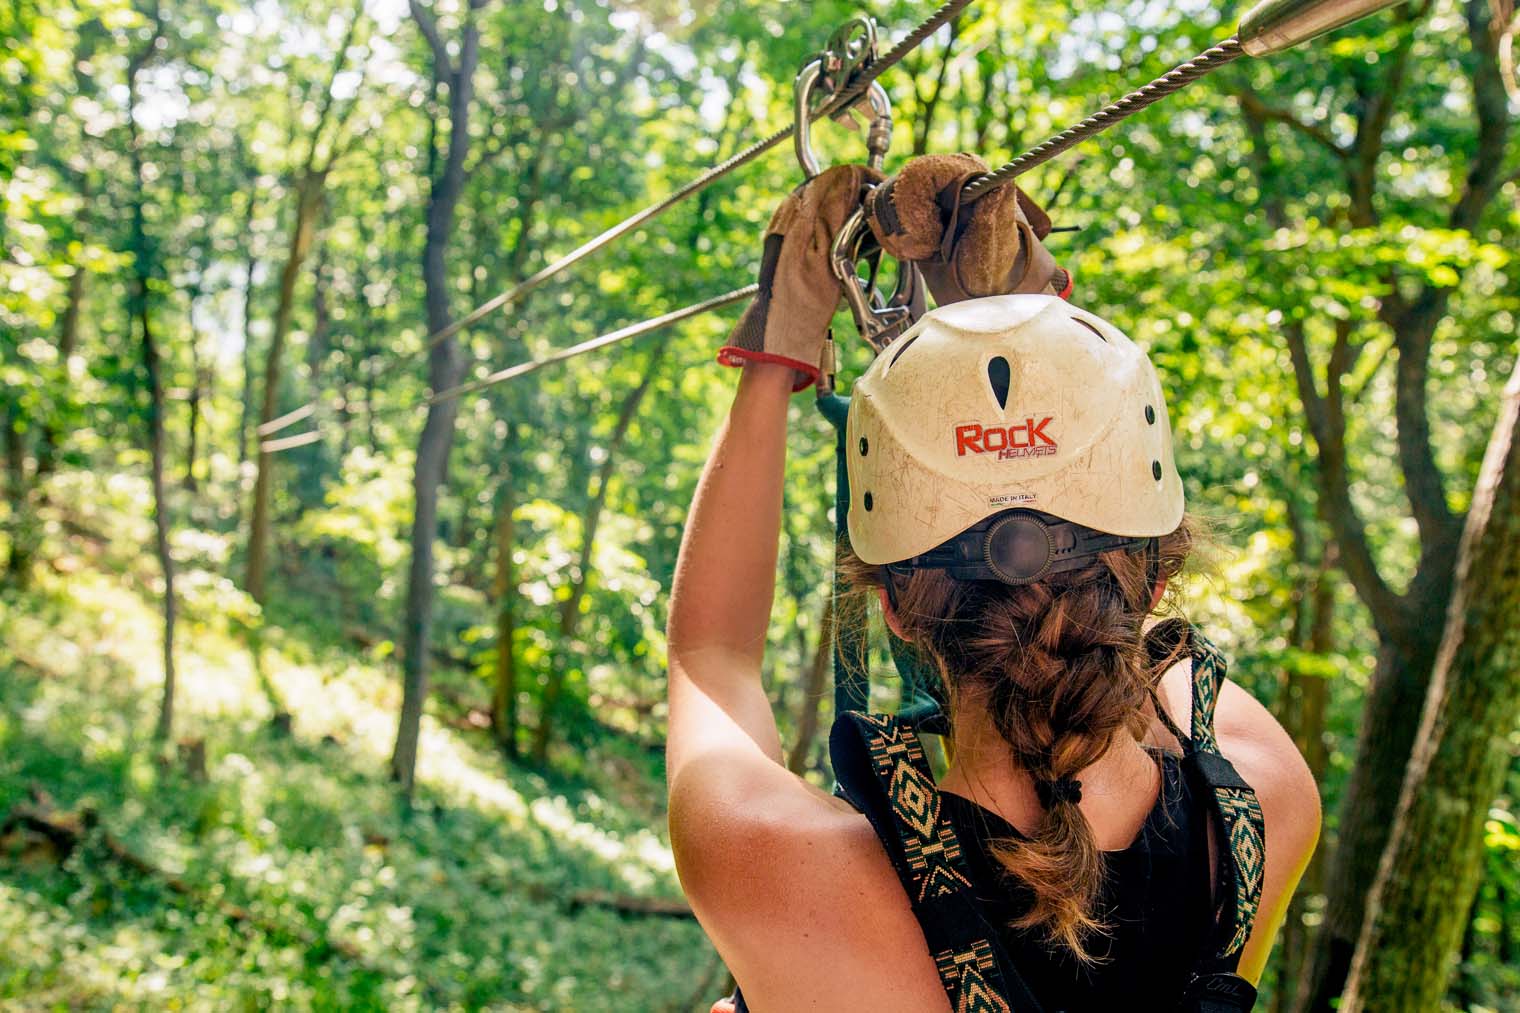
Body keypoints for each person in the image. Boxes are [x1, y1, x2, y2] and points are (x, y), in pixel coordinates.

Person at [665, 156, 1320, 1012]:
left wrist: (776, 350)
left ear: (894, 607)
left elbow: (710, 656)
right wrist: (1027, 313)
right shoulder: (1263, 807)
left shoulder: (798, 882)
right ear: (1158, 580)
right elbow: (1149, 652)